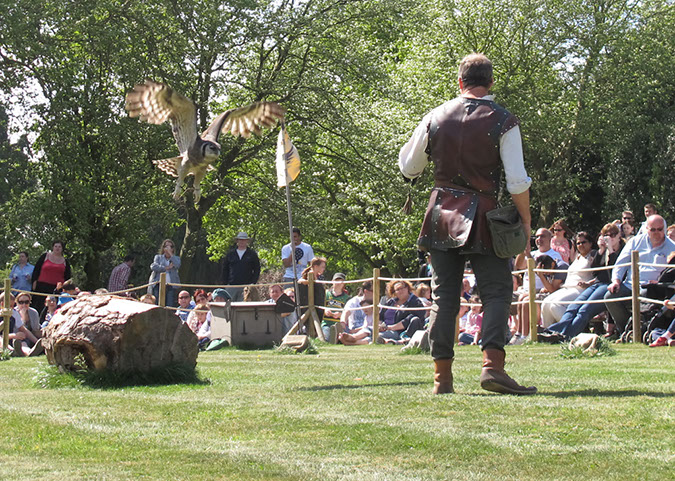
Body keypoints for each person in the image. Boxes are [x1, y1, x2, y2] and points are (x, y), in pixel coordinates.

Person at [399, 53, 536, 395]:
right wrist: (526, 220)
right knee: (497, 291)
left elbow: (409, 167)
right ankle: (492, 368)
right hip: (486, 215)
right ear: (491, 82)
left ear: (459, 82)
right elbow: (517, 181)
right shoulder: (504, 120)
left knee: (444, 296)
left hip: (440, 213)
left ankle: (441, 379)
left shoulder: (435, 116)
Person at [544, 223, 625, 341]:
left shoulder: (623, 251)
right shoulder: (604, 251)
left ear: (619, 236)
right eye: (606, 235)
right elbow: (596, 272)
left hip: (610, 286)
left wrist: (611, 250)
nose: (610, 238)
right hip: (597, 284)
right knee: (574, 306)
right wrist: (602, 250)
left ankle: (565, 336)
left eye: (613, 235)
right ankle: (554, 331)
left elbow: (614, 274)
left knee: (585, 310)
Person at [604, 215, 675, 338]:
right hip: (630, 285)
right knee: (610, 296)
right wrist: (616, 281)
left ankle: (638, 331)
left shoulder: (672, 247)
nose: (657, 233)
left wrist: (660, 283)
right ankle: (627, 331)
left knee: (643, 295)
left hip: (653, 289)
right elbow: (621, 264)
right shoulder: (635, 242)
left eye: (660, 229)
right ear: (647, 229)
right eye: (653, 230)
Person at [540, 232, 595, 328]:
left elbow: (601, 274)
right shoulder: (578, 257)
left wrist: (589, 283)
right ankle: (548, 332)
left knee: (556, 304)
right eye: (578, 243)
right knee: (546, 302)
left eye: (583, 242)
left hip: (581, 289)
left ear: (590, 243)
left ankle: (571, 330)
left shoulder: (593, 256)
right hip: (567, 288)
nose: (580, 245)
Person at [378, 280, 425, 344]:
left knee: (378, 336)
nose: (400, 291)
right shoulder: (391, 302)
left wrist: (389, 328)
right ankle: (389, 341)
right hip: (385, 329)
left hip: (401, 331)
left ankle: (398, 341)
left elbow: (407, 320)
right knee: (370, 332)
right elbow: (380, 316)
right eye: (397, 289)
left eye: (402, 288)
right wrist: (379, 326)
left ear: (407, 288)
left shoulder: (415, 302)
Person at [31, 240, 72, 311]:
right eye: (56, 246)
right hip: (41, 286)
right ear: (53, 247)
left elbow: (67, 277)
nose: (57, 248)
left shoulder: (65, 262)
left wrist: (65, 288)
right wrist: (34, 282)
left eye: (59, 247)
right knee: (38, 306)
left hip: (56, 289)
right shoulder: (45, 256)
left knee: (54, 307)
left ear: (62, 249)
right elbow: (36, 269)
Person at [0, 292, 42, 357]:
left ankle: (29, 352)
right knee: (1, 340)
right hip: (3, 339)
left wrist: (36, 341)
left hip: (11, 339)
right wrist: (13, 335)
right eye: (10, 306)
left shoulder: (14, 313)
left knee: (23, 343)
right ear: (2, 304)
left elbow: (23, 329)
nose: (12, 308)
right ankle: (11, 352)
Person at [222, 232, 261, 301]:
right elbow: (225, 269)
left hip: (246, 287)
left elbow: (257, 269)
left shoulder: (252, 254)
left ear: (247, 241)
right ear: (237, 241)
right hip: (231, 286)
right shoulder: (230, 254)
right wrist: (225, 283)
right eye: (240, 240)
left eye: (244, 240)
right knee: (229, 307)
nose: (242, 242)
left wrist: (252, 283)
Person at [149, 239, 181, 307]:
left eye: (171, 247)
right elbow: (153, 266)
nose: (168, 248)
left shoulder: (176, 258)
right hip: (158, 285)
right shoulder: (158, 257)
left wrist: (171, 254)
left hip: (171, 286)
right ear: (163, 248)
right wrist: (166, 268)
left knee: (170, 305)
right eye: (166, 246)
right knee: (158, 304)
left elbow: (178, 265)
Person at [322, 272, 351, 341]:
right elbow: (319, 307)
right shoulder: (326, 294)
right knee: (327, 338)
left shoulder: (347, 298)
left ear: (344, 283)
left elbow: (349, 313)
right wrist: (325, 311)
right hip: (327, 323)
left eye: (340, 281)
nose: (338, 283)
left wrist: (341, 315)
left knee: (344, 337)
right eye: (336, 281)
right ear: (332, 281)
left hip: (340, 324)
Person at [297, 257, 327, 322]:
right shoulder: (306, 276)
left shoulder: (321, 277)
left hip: (319, 307)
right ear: (316, 266)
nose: (324, 269)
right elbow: (300, 282)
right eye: (322, 267)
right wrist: (306, 282)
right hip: (308, 307)